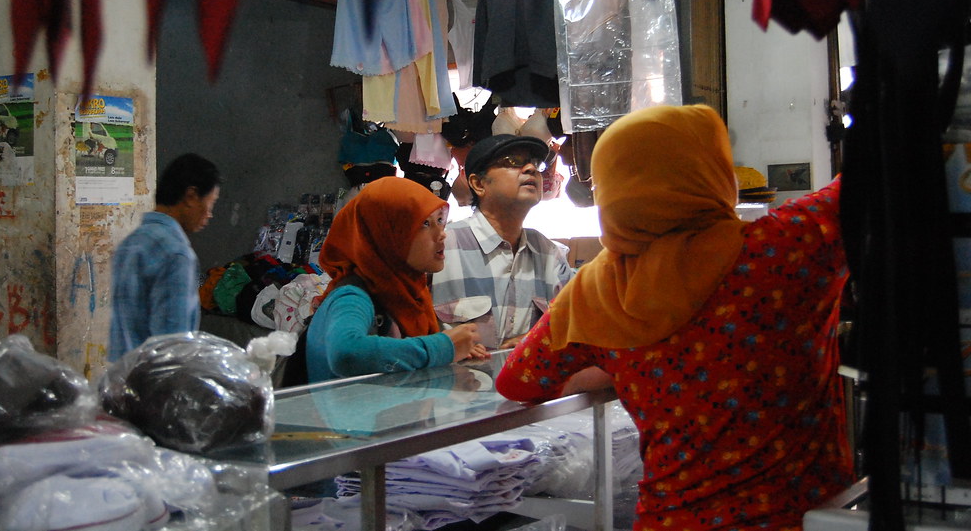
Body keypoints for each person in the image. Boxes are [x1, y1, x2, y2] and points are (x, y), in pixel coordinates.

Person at [495, 105, 854, 531]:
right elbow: (872, 179)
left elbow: (516, 380)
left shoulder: (594, 292)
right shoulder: (784, 245)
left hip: (672, 519)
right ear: (713, 172)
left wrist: (612, 364)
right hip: (799, 517)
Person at [305, 176, 489, 382]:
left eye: (439, 220)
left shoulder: (407, 293)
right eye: (425, 224)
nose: (441, 234)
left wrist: (453, 350)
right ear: (386, 235)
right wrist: (441, 347)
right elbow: (346, 353)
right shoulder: (352, 297)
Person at [433, 134, 573, 349]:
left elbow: (573, 326)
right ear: (479, 184)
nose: (531, 169)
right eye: (513, 162)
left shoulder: (548, 253)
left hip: (525, 380)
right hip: (451, 381)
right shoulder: (442, 245)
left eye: (536, 163)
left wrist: (536, 341)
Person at [108, 153, 221, 361]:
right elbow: (172, 348)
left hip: (121, 378)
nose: (210, 214)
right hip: (153, 386)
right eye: (211, 203)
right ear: (191, 196)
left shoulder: (131, 243)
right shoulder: (176, 253)